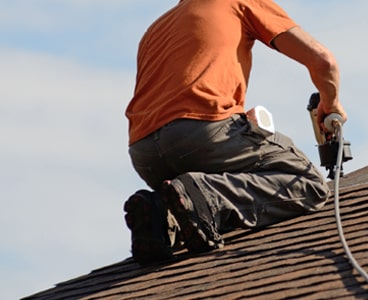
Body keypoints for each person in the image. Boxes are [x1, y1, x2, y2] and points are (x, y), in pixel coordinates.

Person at [122, 0, 347, 264]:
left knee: (195, 200)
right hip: (202, 132)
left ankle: (161, 216)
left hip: (145, 152)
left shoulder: (155, 30)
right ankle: (206, 196)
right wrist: (330, 103)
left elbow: (177, 92)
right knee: (307, 182)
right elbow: (323, 62)